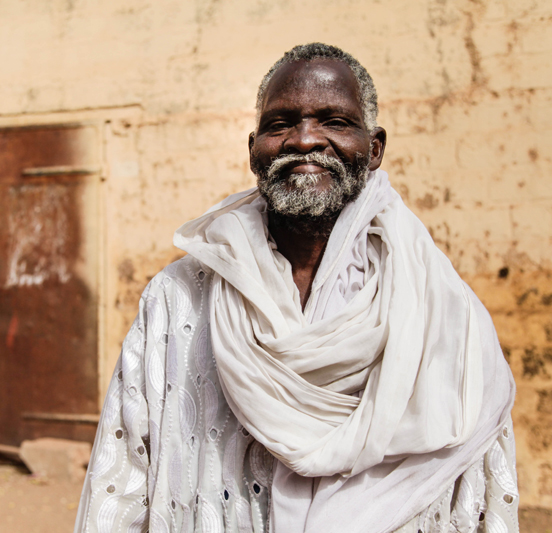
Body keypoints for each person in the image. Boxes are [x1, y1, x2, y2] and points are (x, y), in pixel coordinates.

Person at [74, 43, 517, 533]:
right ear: (253, 149)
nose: (305, 140)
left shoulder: (442, 308)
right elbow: (124, 475)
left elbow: (478, 487)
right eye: (280, 123)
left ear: (374, 148)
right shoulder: (179, 299)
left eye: (335, 121)